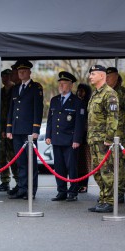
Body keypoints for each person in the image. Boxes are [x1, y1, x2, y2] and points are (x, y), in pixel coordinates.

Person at [6, 59, 44, 199]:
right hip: (16, 131)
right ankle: (22, 189)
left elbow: (38, 109)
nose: (21, 73)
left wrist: (36, 129)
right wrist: (9, 129)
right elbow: (11, 110)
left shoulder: (36, 88)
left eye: (24, 71)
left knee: (31, 163)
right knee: (20, 162)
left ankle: (31, 191)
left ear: (29, 72)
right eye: (19, 71)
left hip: (29, 131)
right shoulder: (16, 88)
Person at [46, 71, 85, 201]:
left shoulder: (77, 102)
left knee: (71, 167)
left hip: (70, 140)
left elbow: (79, 123)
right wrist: (48, 135)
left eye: (64, 84)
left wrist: (77, 139)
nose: (61, 86)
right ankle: (61, 191)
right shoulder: (55, 100)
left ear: (71, 86)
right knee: (59, 167)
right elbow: (50, 120)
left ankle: (73, 192)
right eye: (60, 84)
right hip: (57, 139)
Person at [87, 65, 118, 213]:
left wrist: (109, 139)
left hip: (103, 141)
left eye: (93, 74)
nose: (90, 76)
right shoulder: (95, 94)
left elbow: (113, 119)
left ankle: (110, 201)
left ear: (101, 75)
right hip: (93, 140)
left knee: (107, 171)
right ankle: (103, 198)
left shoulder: (109, 94)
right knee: (96, 172)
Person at [106, 67, 125, 203]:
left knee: (119, 164)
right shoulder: (104, 93)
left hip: (120, 134)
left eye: (110, 77)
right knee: (109, 164)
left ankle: (120, 191)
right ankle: (111, 191)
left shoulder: (122, 93)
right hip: (107, 135)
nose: (107, 79)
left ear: (117, 77)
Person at [0, 69, 19, 192]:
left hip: (11, 128)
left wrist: (8, 129)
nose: (4, 78)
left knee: (13, 157)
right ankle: (4, 181)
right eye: (2, 76)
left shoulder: (15, 90)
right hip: (2, 127)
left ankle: (18, 181)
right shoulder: (1, 92)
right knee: (2, 156)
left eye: (7, 76)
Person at [76, 84, 92, 193]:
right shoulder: (76, 102)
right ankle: (77, 184)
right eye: (78, 91)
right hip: (76, 137)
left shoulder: (89, 104)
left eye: (82, 91)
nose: (79, 93)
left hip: (86, 138)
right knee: (76, 163)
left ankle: (84, 185)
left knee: (85, 163)